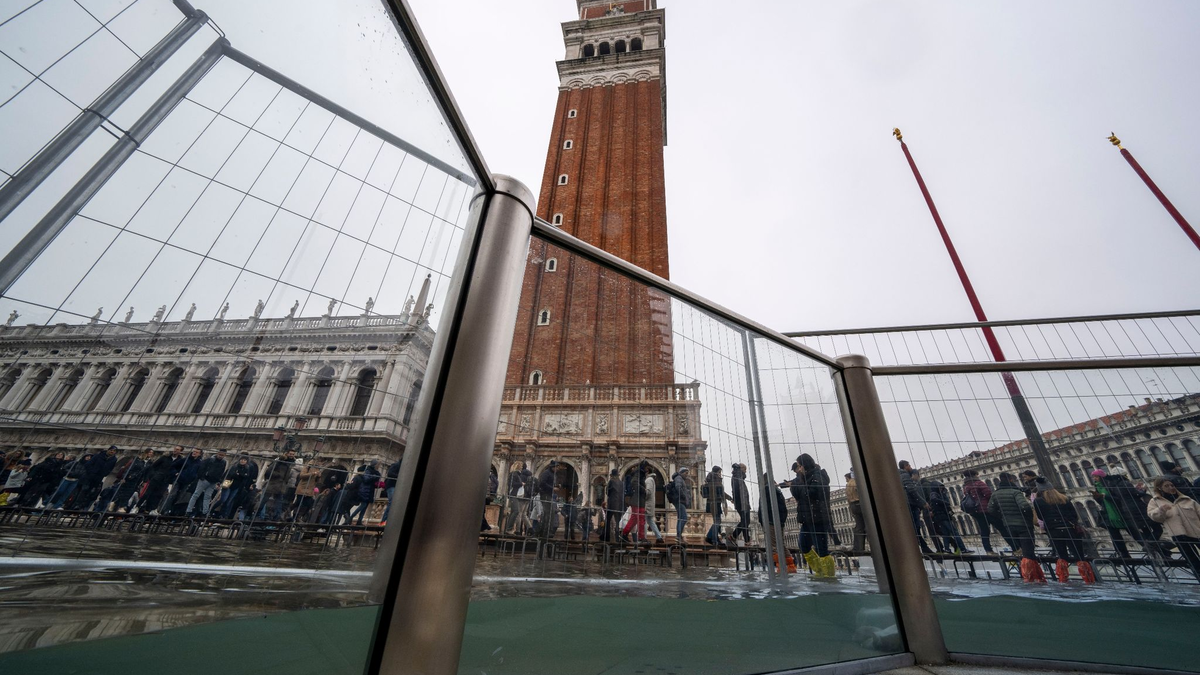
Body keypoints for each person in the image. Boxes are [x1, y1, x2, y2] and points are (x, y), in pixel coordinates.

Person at [988, 472, 1045, 582]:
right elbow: (1024, 506)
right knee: (1028, 552)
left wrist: (1002, 517)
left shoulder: (995, 494)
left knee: (1019, 551)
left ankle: (1027, 576)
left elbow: (990, 509)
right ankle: (1032, 578)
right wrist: (1028, 518)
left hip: (1008, 526)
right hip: (1023, 525)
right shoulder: (1015, 492)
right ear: (1010, 480)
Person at [1033, 485, 1094, 583]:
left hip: (1054, 531)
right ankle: (1088, 579)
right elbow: (1074, 515)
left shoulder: (1038, 501)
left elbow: (1040, 516)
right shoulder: (1064, 498)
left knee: (1062, 556)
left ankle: (1063, 579)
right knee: (1079, 555)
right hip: (1070, 530)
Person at [1147, 476, 1200, 581]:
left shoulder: (1186, 499)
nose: (1171, 488)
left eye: (1172, 485)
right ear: (1160, 488)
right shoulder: (1155, 501)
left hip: (1196, 531)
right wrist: (1160, 510)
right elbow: (1153, 516)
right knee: (1193, 561)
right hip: (1178, 534)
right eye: (1166, 486)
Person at [793, 454, 835, 577]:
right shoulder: (806, 478)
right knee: (803, 544)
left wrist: (800, 484)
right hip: (808, 518)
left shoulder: (818, 476)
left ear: (804, 465)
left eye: (799, 466)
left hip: (818, 518)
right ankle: (820, 571)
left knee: (822, 548)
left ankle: (829, 576)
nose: (798, 469)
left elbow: (814, 493)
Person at [919, 471, 970, 554]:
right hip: (943, 516)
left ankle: (947, 549)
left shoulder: (934, 494)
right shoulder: (934, 495)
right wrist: (945, 503)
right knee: (954, 532)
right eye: (940, 487)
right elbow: (935, 501)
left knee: (946, 534)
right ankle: (962, 548)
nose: (941, 489)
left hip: (940, 516)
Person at [962, 469, 1006, 553]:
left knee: (984, 531)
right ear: (974, 475)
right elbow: (988, 494)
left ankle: (988, 550)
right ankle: (1015, 548)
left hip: (976, 511)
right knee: (1002, 528)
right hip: (986, 509)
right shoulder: (979, 483)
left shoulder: (966, 486)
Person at [898, 460, 934, 555]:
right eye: (909, 465)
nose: (910, 467)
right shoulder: (905, 476)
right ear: (905, 466)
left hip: (907, 504)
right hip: (911, 504)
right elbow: (911, 490)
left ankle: (922, 547)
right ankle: (923, 547)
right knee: (916, 527)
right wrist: (923, 502)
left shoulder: (899, 476)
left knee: (915, 527)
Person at [137, 447, 182, 514]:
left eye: (177, 449)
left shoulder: (180, 460)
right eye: (175, 449)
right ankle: (137, 506)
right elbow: (153, 466)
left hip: (166, 480)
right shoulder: (165, 457)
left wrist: (172, 477)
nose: (175, 450)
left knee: (159, 495)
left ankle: (151, 509)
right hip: (157, 478)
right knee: (148, 493)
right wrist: (154, 475)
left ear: (180, 451)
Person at [258, 450, 299, 521]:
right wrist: (279, 475)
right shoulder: (280, 461)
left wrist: (285, 481)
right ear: (286, 453)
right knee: (264, 500)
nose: (291, 455)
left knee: (279, 502)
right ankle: (257, 513)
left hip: (281, 486)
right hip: (273, 484)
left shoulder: (290, 464)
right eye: (290, 453)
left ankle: (276, 518)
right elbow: (268, 471)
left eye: (293, 454)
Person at [74, 446, 118, 510]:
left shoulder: (114, 459)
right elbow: (88, 464)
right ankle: (77, 505)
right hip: (90, 476)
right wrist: (92, 471)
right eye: (111, 450)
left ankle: (84, 506)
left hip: (99, 477)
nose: (112, 451)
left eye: (114, 451)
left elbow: (110, 468)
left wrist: (105, 473)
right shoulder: (98, 455)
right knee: (84, 490)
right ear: (108, 450)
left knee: (92, 492)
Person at [188, 449, 228, 517]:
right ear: (217, 453)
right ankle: (188, 510)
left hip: (213, 482)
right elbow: (202, 468)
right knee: (196, 494)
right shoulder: (210, 460)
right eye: (220, 454)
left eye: (222, 455)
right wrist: (202, 477)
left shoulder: (223, 462)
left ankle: (205, 512)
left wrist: (219, 481)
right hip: (205, 480)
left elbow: (221, 472)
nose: (220, 456)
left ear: (224, 456)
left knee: (207, 497)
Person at [622, 461, 650, 542]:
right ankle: (641, 537)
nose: (647, 470)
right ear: (644, 467)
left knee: (634, 519)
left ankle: (624, 534)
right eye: (647, 468)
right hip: (638, 500)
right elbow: (634, 482)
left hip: (636, 500)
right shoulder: (639, 472)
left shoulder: (639, 472)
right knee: (641, 519)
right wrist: (643, 490)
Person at [702, 466, 730, 548]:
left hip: (711, 503)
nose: (720, 474)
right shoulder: (716, 480)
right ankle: (712, 539)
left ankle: (714, 538)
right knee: (717, 522)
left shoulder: (710, 480)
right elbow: (722, 493)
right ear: (716, 472)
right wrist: (729, 498)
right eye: (719, 472)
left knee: (717, 522)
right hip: (715, 504)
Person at [348, 460, 382, 526]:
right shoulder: (368, 470)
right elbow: (366, 479)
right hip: (365, 491)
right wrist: (375, 477)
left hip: (369, 491)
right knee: (362, 505)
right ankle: (350, 517)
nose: (379, 466)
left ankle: (359, 521)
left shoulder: (375, 472)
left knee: (364, 507)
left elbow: (372, 481)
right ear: (375, 465)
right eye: (378, 464)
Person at [730, 463, 752, 546]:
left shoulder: (736, 476)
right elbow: (738, 491)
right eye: (745, 469)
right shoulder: (738, 476)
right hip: (742, 502)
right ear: (741, 468)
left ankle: (746, 540)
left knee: (745, 521)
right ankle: (733, 536)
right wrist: (741, 502)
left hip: (742, 502)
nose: (746, 471)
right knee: (745, 520)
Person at [536, 460, 558, 539]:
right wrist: (552, 488)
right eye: (555, 467)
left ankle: (548, 530)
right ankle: (544, 531)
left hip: (549, 494)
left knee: (550, 513)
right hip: (545, 494)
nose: (557, 468)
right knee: (548, 513)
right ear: (552, 467)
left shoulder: (552, 474)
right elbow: (542, 483)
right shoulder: (546, 473)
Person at [845, 472, 866, 552]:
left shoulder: (848, 485)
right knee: (867, 526)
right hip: (860, 503)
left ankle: (858, 547)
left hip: (853, 505)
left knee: (859, 527)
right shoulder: (857, 482)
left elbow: (848, 498)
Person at [670, 467, 691, 543]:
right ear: (681, 472)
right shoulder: (679, 478)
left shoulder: (680, 478)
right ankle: (678, 536)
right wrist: (684, 497)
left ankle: (679, 536)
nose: (687, 475)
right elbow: (678, 487)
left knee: (680, 519)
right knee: (684, 518)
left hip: (679, 501)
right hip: (679, 501)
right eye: (686, 473)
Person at [644, 469, 665, 544]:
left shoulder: (648, 480)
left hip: (647, 504)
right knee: (650, 521)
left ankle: (644, 538)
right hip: (650, 504)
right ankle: (659, 537)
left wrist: (642, 496)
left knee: (643, 521)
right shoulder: (651, 479)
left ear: (647, 472)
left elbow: (648, 492)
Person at [604, 468, 624, 542]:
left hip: (612, 504)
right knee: (617, 522)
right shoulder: (621, 482)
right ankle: (617, 538)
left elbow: (607, 492)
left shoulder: (611, 481)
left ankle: (607, 537)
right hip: (619, 505)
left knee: (608, 521)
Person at [381, 458, 402, 522]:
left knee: (395, 502)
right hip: (391, 486)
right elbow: (390, 473)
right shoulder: (396, 465)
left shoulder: (401, 466)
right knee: (392, 502)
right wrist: (400, 476)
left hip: (396, 486)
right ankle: (384, 520)